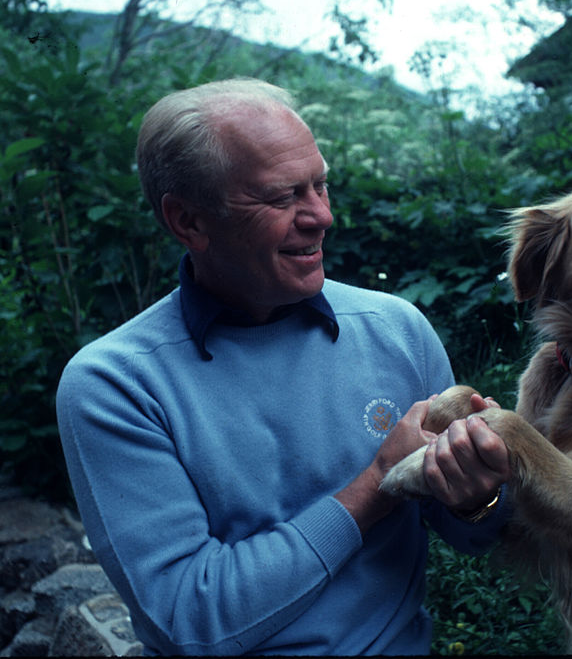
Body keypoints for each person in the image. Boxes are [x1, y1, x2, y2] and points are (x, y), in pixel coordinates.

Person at [56, 78, 510, 655]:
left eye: (320, 185)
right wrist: (377, 484)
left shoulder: (396, 329)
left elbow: (476, 535)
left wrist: (479, 494)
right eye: (282, 197)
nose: (321, 216)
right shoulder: (114, 385)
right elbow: (193, 621)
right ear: (188, 222)